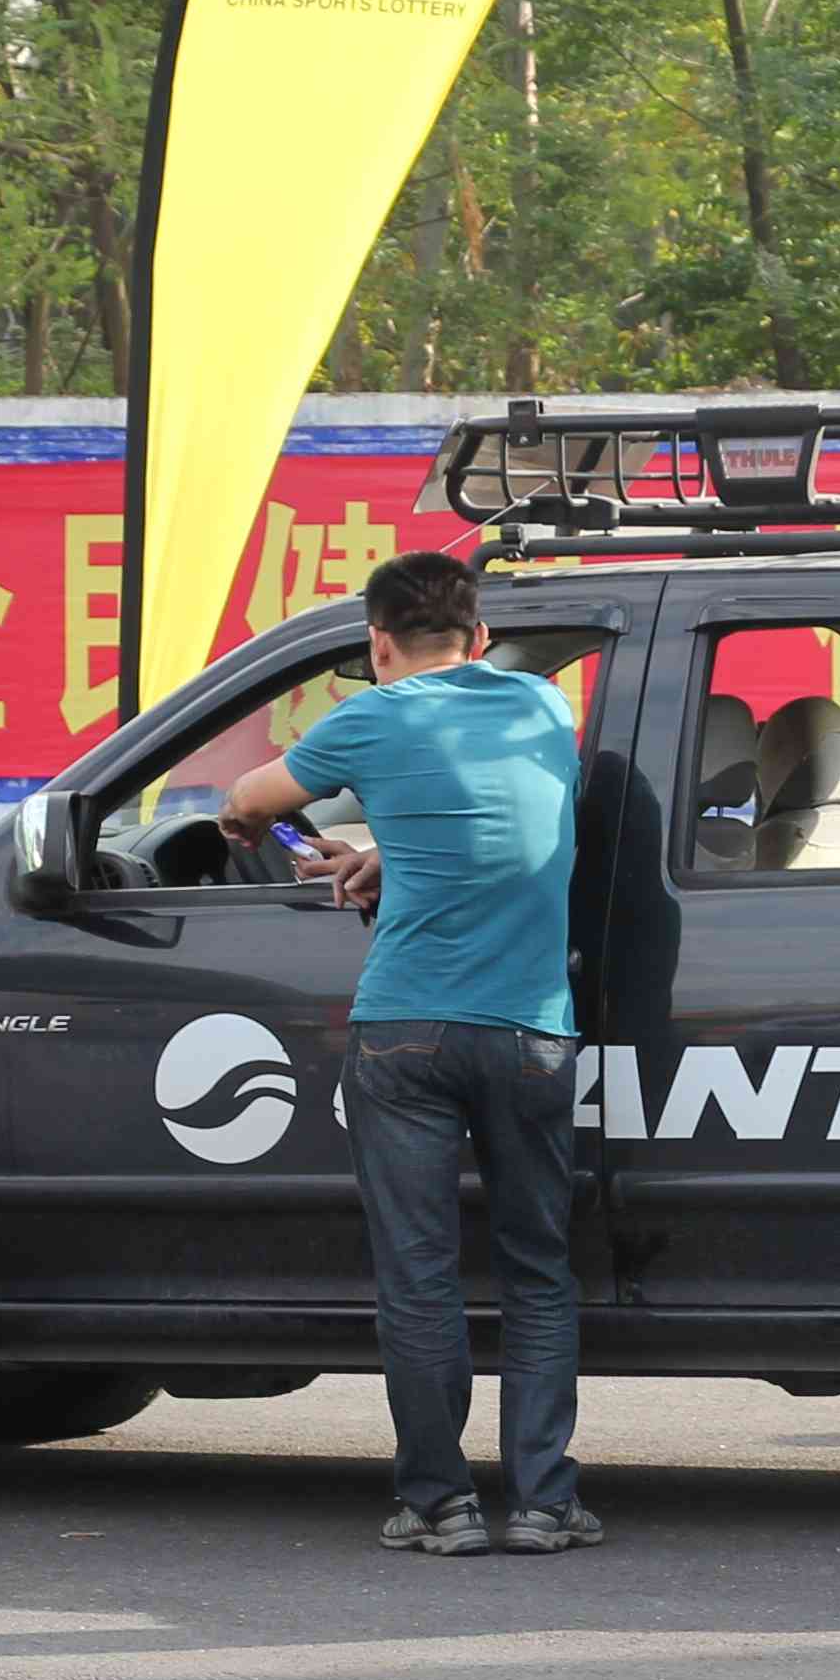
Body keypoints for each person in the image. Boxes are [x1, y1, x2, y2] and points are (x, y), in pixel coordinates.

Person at [221, 551, 592, 1559]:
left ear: (377, 644)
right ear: (480, 638)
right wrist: (393, 854)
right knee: (538, 1270)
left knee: (421, 1276)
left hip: (407, 1032)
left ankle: (441, 1505)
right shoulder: (541, 708)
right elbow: (508, 829)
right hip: (530, 1031)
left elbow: (247, 801)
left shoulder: (369, 718)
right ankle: (546, 1503)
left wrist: (307, 838)